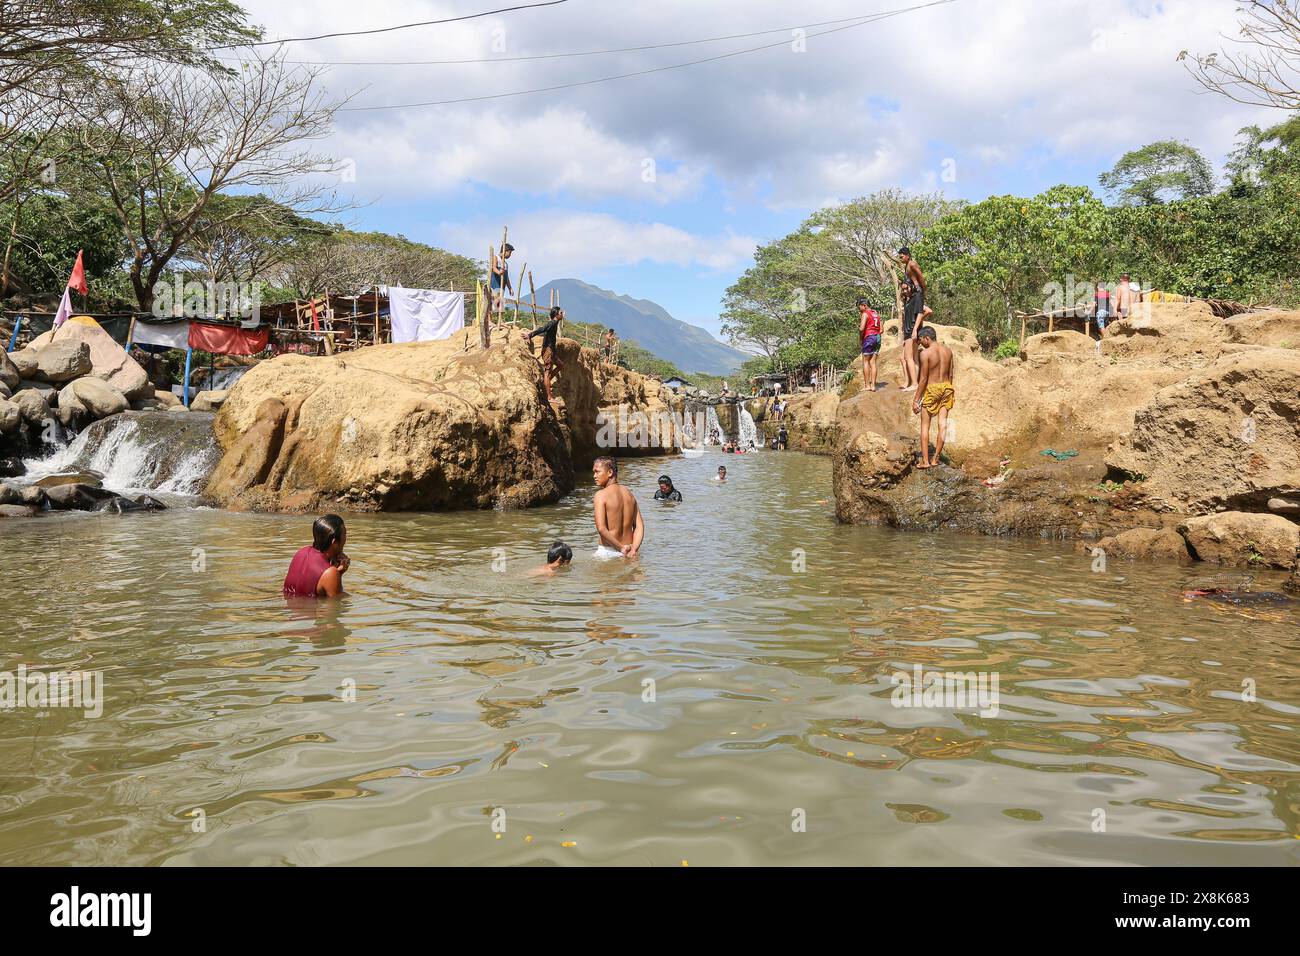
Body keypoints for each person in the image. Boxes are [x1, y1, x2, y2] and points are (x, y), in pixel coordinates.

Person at [912, 326, 954, 470]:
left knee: (925, 426)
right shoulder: (948, 351)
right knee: (943, 424)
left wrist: (916, 400)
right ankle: (935, 458)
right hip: (947, 387)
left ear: (927, 338)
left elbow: (923, 380)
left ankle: (925, 461)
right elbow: (951, 374)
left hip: (932, 389)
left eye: (921, 340)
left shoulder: (926, 354)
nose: (921, 343)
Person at [283, 514, 350, 598]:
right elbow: (338, 604)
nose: (345, 539)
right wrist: (339, 574)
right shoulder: (330, 573)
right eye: (345, 534)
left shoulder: (301, 552)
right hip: (311, 610)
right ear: (334, 542)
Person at [592, 456, 644, 558]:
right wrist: (633, 549)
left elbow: (601, 529)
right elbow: (639, 526)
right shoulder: (629, 494)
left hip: (608, 551)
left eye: (597, 472)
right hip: (629, 552)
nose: (594, 476)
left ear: (610, 472)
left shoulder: (600, 495)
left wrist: (621, 548)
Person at [897, 247, 931, 391]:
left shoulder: (911, 264)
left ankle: (914, 384)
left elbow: (921, 278)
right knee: (910, 358)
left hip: (912, 329)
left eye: (902, 256)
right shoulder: (906, 268)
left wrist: (921, 291)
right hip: (911, 329)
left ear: (907, 255)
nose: (900, 258)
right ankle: (912, 383)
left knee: (909, 357)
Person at [522, 306, 563, 405]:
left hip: (551, 351)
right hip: (548, 351)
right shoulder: (552, 323)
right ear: (556, 314)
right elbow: (542, 329)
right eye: (561, 313)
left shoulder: (555, 323)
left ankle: (546, 382)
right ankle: (549, 396)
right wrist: (530, 335)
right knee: (547, 373)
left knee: (561, 365)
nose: (562, 314)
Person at [857, 296, 882, 392]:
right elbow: (881, 330)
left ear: (864, 305)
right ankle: (873, 386)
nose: (859, 309)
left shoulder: (865, 314)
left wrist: (861, 338)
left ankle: (867, 385)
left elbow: (862, 328)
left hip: (869, 338)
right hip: (877, 338)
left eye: (860, 307)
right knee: (873, 362)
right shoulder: (876, 314)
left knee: (866, 361)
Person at [490, 242, 514, 315]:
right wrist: (499, 272)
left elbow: (506, 278)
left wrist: (510, 288)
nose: (510, 255)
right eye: (510, 252)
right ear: (505, 251)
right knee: (493, 301)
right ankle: (490, 321)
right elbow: (493, 268)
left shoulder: (506, 264)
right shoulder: (496, 257)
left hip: (502, 286)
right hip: (495, 284)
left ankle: (500, 321)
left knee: (500, 302)